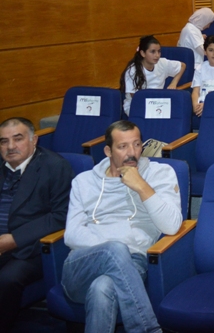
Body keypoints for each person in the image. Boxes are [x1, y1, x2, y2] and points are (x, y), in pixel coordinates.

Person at [62, 120, 182, 332]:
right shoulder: (84, 181)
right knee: (115, 249)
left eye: (136, 144)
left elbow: (171, 226)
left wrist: (142, 186)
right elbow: (72, 234)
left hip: (133, 262)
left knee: (102, 288)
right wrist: (111, 248)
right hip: (82, 264)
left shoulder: (160, 173)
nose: (132, 153)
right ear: (108, 151)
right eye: (123, 146)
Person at [0, 118, 73, 330]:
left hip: (30, 247)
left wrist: (14, 240)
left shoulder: (55, 166)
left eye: (18, 139)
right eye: (4, 141)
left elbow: (61, 215)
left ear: (34, 140)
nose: (10, 146)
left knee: (6, 280)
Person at [120, 35, 185, 116]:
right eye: (153, 52)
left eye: (159, 51)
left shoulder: (162, 63)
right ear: (143, 53)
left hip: (158, 102)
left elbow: (182, 66)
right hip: (138, 103)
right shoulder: (133, 70)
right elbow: (135, 96)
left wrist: (173, 83)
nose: (157, 55)